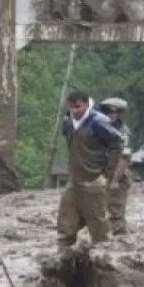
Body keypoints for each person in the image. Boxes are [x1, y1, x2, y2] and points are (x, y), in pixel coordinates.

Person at [57, 91, 124, 248]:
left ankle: (103, 255)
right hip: (74, 179)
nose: (75, 111)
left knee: (98, 222)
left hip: (93, 179)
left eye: (78, 107)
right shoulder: (68, 122)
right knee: (66, 217)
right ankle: (64, 253)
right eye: (72, 107)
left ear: (87, 104)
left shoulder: (98, 122)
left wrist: (109, 171)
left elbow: (118, 142)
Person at [98, 98, 133, 235]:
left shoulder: (123, 133)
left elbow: (125, 157)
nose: (112, 114)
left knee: (116, 212)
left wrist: (115, 180)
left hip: (118, 174)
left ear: (120, 114)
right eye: (109, 111)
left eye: (116, 111)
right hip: (100, 173)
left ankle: (119, 242)